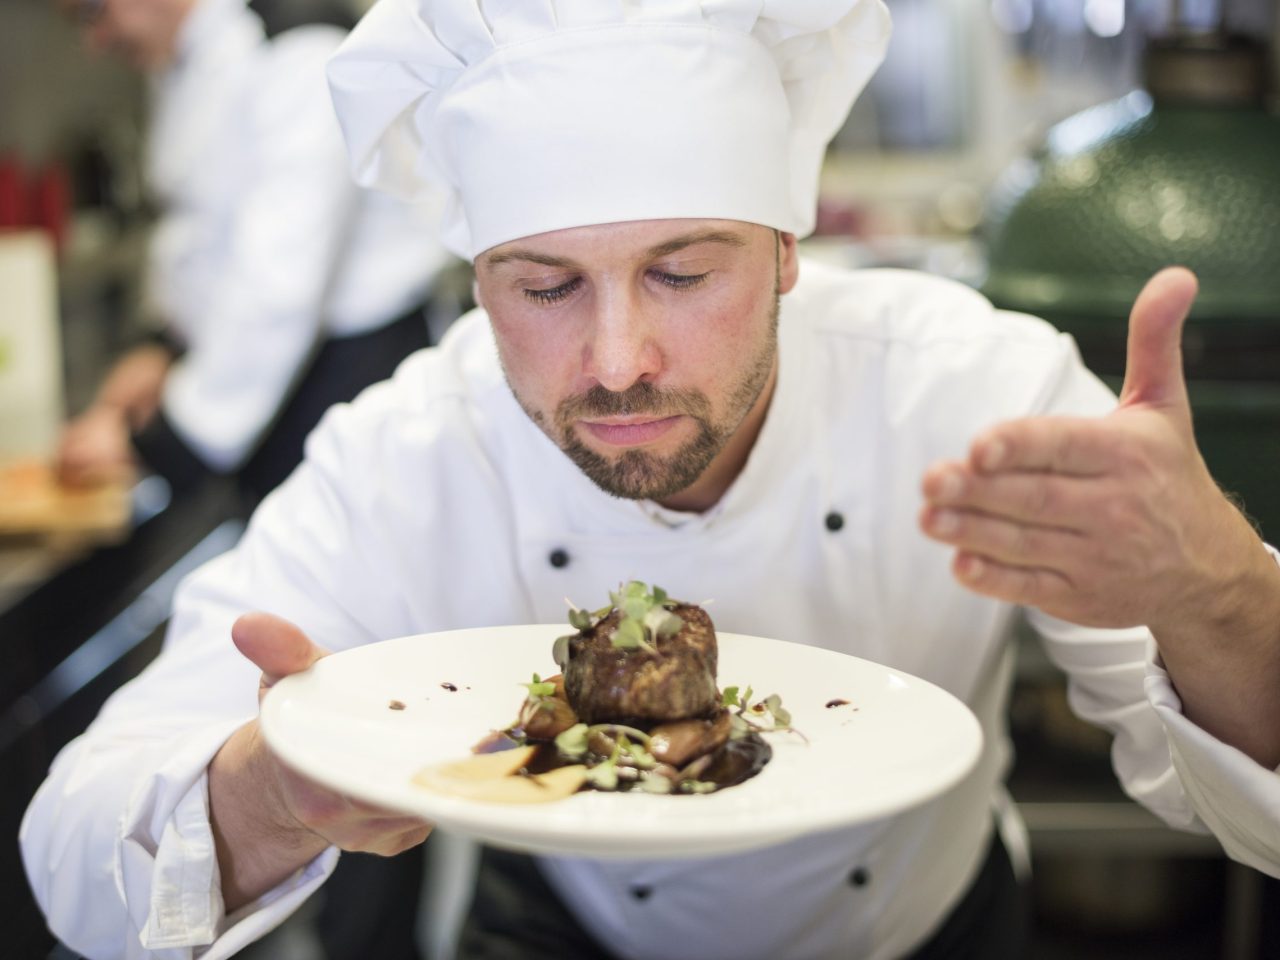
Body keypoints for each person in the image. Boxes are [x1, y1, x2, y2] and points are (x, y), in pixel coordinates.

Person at [22, 1, 1280, 958]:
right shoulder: (415, 447)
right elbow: (75, 850)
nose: (617, 363)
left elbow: (1255, 825)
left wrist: (1217, 589)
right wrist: (266, 793)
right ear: (476, 287)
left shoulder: (969, 390)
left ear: (787, 253)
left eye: (683, 274)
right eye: (545, 287)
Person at [55, 0, 456, 508]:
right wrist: (163, 347)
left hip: (350, 380)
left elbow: (281, 281)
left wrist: (164, 442)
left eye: (94, 13)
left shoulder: (296, 46)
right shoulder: (189, 57)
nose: (94, 43)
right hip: (277, 378)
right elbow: (205, 232)